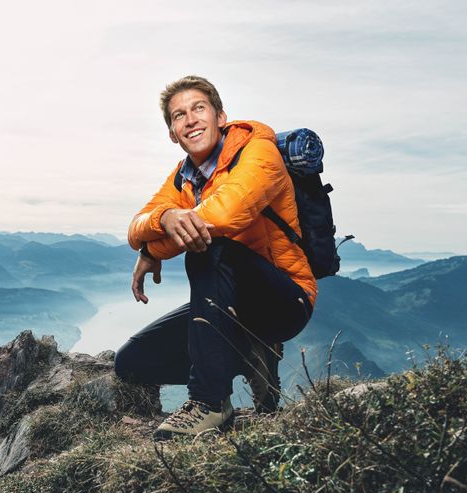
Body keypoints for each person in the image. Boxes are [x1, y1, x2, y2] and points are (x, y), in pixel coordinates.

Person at [114, 75, 318, 440]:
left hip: (285, 298)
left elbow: (221, 217)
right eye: (178, 116)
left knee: (209, 246)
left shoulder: (259, 151)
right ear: (173, 134)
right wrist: (162, 221)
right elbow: (136, 226)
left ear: (220, 117)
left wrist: (154, 248)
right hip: (228, 302)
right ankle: (252, 353)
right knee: (132, 362)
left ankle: (210, 403)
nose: (189, 119)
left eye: (198, 108)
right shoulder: (183, 178)